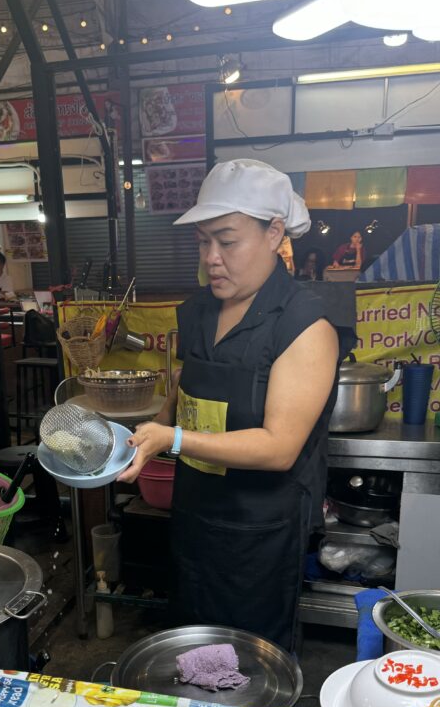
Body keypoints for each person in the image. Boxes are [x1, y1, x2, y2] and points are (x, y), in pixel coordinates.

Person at [118, 158, 347, 652]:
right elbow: (188, 384)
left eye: (227, 240)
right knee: (191, 646)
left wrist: (172, 439)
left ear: (274, 233)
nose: (212, 258)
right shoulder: (201, 309)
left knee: (247, 660)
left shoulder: (305, 325)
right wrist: (147, 434)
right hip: (196, 514)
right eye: (204, 241)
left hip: (259, 531)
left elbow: (280, 447)